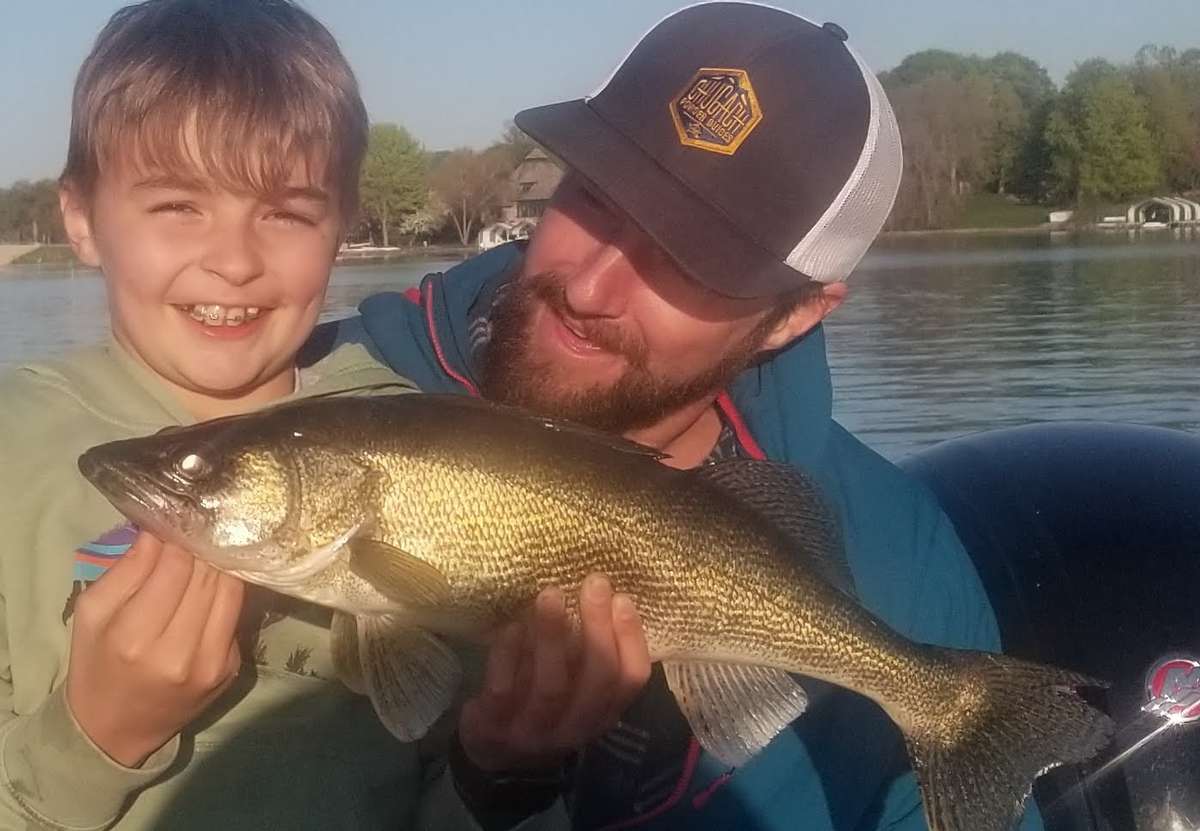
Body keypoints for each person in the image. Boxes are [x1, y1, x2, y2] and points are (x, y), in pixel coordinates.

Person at [307, 3, 1045, 830]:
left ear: (797, 314)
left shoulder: (900, 557)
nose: (588, 288)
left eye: (690, 257)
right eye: (592, 195)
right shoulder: (317, 392)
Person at [0, 1, 647, 829]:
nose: (233, 259)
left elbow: (441, 799)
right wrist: (90, 739)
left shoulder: (436, 456)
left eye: (287, 213)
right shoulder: (13, 445)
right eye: (176, 207)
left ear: (340, 228)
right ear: (82, 219)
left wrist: (501, 771)